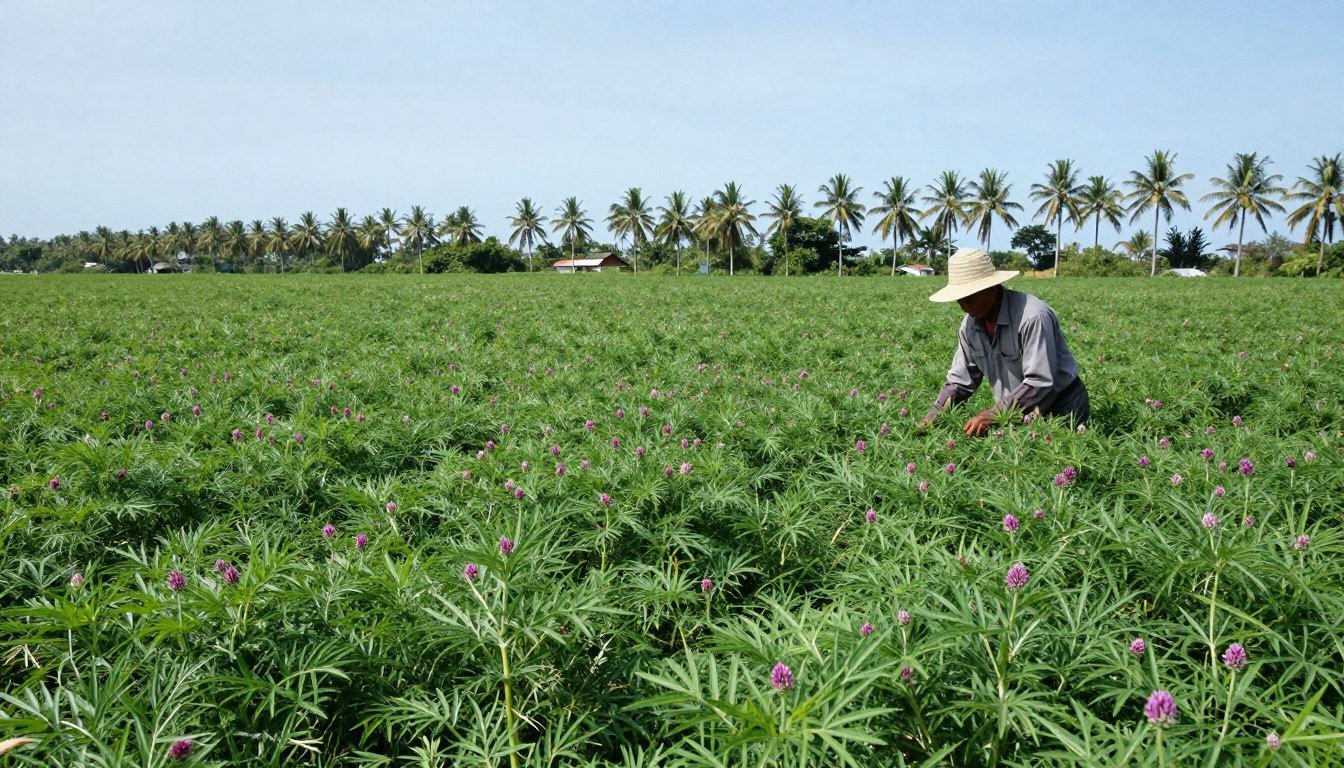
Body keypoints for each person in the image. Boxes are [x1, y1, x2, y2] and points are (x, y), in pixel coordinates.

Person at [918, 248, 1088, 436]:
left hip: (1061, 407)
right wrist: (932, 417)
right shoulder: (970, 325)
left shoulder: (1032, 317)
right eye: (959, 297)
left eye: (969, 296)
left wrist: (992, 415)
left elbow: (1040, 382)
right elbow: (960, 382)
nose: (963, 304)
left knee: (1056, 460)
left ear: (992, 287)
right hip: (1016, 408)